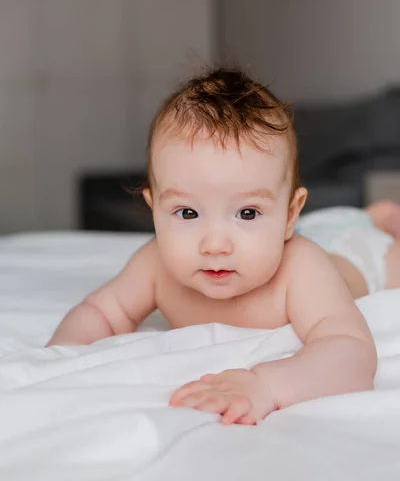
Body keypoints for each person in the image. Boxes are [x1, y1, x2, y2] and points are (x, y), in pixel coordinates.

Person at [47, 66, 400, 426]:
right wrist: (60, 359)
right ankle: (370, 214)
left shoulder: (302, 268)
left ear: (289, 214)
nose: (215, 244)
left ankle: (379, 218)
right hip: (304, 230)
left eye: (247, 213)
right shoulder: (155, 265)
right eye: (187, 212)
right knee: (332, 225)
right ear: (155, 212)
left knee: (377, 247)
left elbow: (352, 353)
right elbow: (102, 312)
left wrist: (267, 385)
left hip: (357, 255)